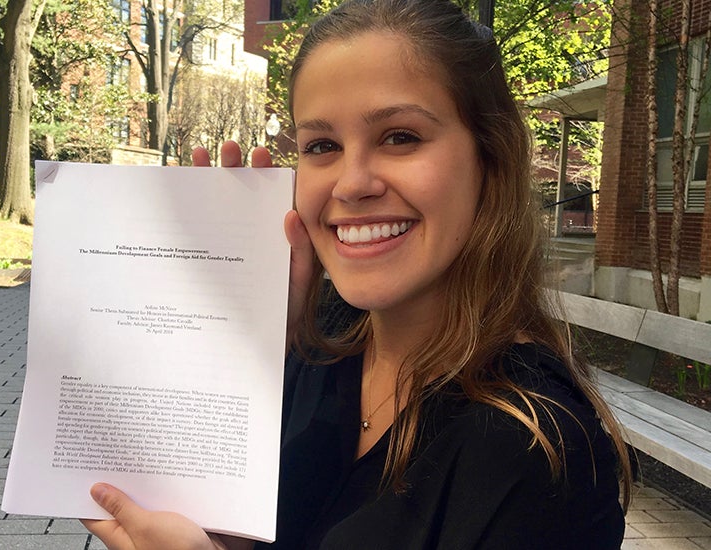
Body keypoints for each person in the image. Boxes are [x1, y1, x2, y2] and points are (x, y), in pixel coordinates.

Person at [82, 0, 633, 548]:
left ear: (491, 159)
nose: (350, 184)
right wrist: (234, 343)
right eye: (321, 146)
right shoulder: (320, 349)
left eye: (400, 136)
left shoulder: (541, 453)